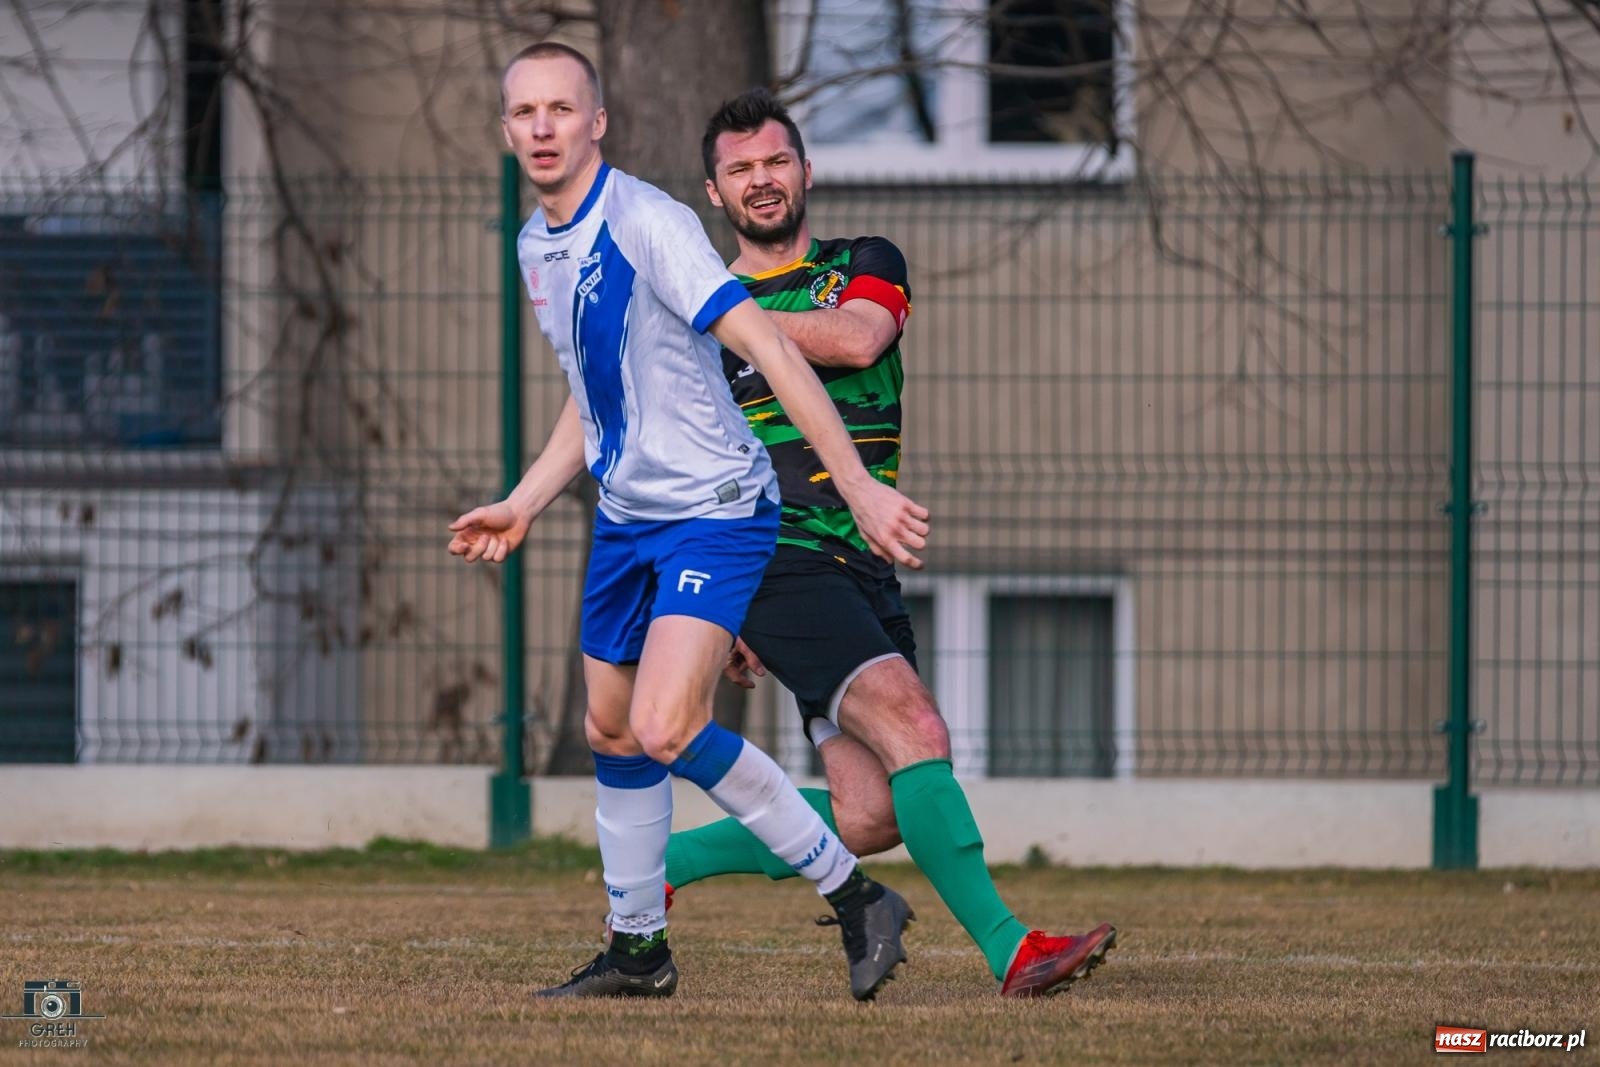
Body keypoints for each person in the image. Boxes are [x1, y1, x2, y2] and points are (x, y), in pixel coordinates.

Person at [449, 45, 929, 1002]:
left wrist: (859, 485)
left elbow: (774, 355)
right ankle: (639, 950)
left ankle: (858, 897)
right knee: (612, 729)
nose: (542, 127)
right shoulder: (535, 246)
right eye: (524, 112)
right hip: (629, 516)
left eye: (561, 109)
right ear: (507, 132)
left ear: (598, 124)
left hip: (717, 506)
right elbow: (594, 402)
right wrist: (522, 501)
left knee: (668, 725)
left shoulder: (648, 223)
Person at [657, 88, 1117, 998]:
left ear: (805, 172)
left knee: (868, 816)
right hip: (774, 552)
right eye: (740, 169)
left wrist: (730, 320)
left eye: (775, 162)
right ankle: (1013, 949)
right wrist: (717, 604)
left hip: (863, 559)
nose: (761, 181)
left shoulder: (864, 263)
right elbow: (682, 463)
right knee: (919, 728)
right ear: (714, 192)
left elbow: (861, 340)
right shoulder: (693, 322)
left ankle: (661, 858)